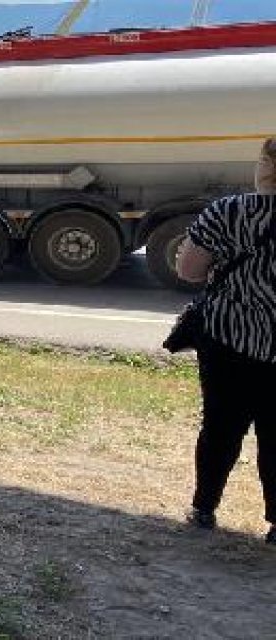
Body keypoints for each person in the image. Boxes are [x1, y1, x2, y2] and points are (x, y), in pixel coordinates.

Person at [176, 138, 276, 545]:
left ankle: (204, 508)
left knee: (220, 425)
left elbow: (189, 272)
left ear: (266, 164)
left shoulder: (228, 211)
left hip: (228, 338)